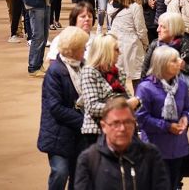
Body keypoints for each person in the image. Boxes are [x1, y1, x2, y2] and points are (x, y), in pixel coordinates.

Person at [74, 97, 170, 189]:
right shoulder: (88, 160)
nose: (122, 128)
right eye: (116, 123)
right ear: (103, 126)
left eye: (128, 122)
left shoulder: (151, 154)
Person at [142, 11, 189, 128]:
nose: (158, 30)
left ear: (173, 29)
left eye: (162, 26)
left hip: (182, 102)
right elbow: (144, 72)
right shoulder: (154, 45)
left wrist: (185, 66)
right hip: (156, 99)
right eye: (158, 26)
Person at [38, 26, 89, 190]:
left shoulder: (84, 66)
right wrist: (84, 120)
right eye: (83, 47)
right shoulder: (55, 72)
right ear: (73, 49)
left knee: (78, 176)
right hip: (57, 133)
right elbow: (55, 107)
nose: (86, 50)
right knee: (60, 172)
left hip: (79, 134)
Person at [135, 45, 189, 189]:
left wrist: (185, 118)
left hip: (178, 147)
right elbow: (141, 119)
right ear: (162, 64)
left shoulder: (182, 86)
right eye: (174, 60)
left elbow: (187, 108)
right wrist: (167, 126)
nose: (179, 62)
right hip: (155, 149)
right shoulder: (145, 88)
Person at [80, 34, 141, 148]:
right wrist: (124, 105)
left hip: (120, 128)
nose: (120, 53)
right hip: (97, 133)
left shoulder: (118, 72)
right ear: (106, 51)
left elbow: (129, 99)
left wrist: (136, 103)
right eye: (116, 50)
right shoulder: (89, 72)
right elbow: (92, 107)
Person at [107, 0, 150, 90]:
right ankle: (139, 106)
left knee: (118, 81)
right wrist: (145, 44)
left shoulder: (110, 4)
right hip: (132, 45)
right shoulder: (135, 6)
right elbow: (141, 29)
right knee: (138, 80)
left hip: (115, 44)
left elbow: (110, 25)